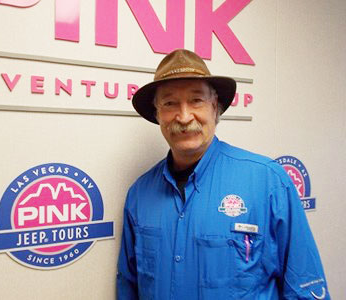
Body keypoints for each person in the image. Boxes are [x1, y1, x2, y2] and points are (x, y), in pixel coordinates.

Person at [116, 49, 330, 299]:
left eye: (196, 100)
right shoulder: (139, 195)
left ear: (215, 108)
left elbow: (305, 288)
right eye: (170, 103)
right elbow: (128, 287)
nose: (184, 117)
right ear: (157, 114)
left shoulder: (268, 182)